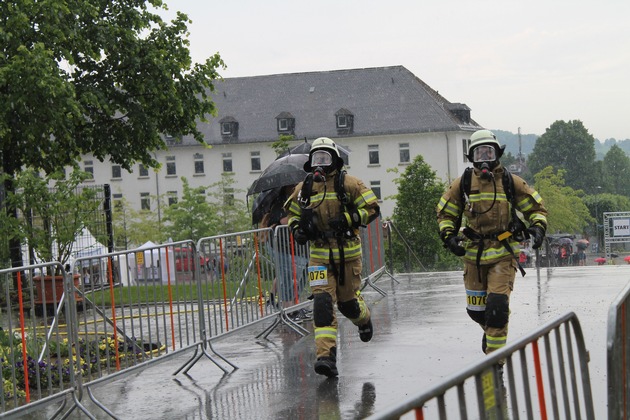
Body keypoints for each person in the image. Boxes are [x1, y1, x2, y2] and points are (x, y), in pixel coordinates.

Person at [436, 129, 548, 361]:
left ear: (497, 153)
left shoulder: (510, 181)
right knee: (477, 312)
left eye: (489, 152)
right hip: (473, 256)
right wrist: (449, 237)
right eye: (479, 153)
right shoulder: (464, 183)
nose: (484, 158)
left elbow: (536, 209)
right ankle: (490, 332)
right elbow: (445, 213)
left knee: (497, 308)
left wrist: (537, 228)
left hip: (502, 255)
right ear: (472, 157)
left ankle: (495, 360)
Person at [285, 137, 380, 377]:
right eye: (317, 158)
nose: (320, 163)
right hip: (319, 258)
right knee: (322, 305)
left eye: (325, 158)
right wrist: (297, 230)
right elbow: (292, 214)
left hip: (348, 255)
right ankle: (326, 357)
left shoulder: (349, 184)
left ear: (334, 160)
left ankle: (363, 319)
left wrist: (348, 219)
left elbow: (372, 208)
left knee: (348, 304)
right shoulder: (304, 188)